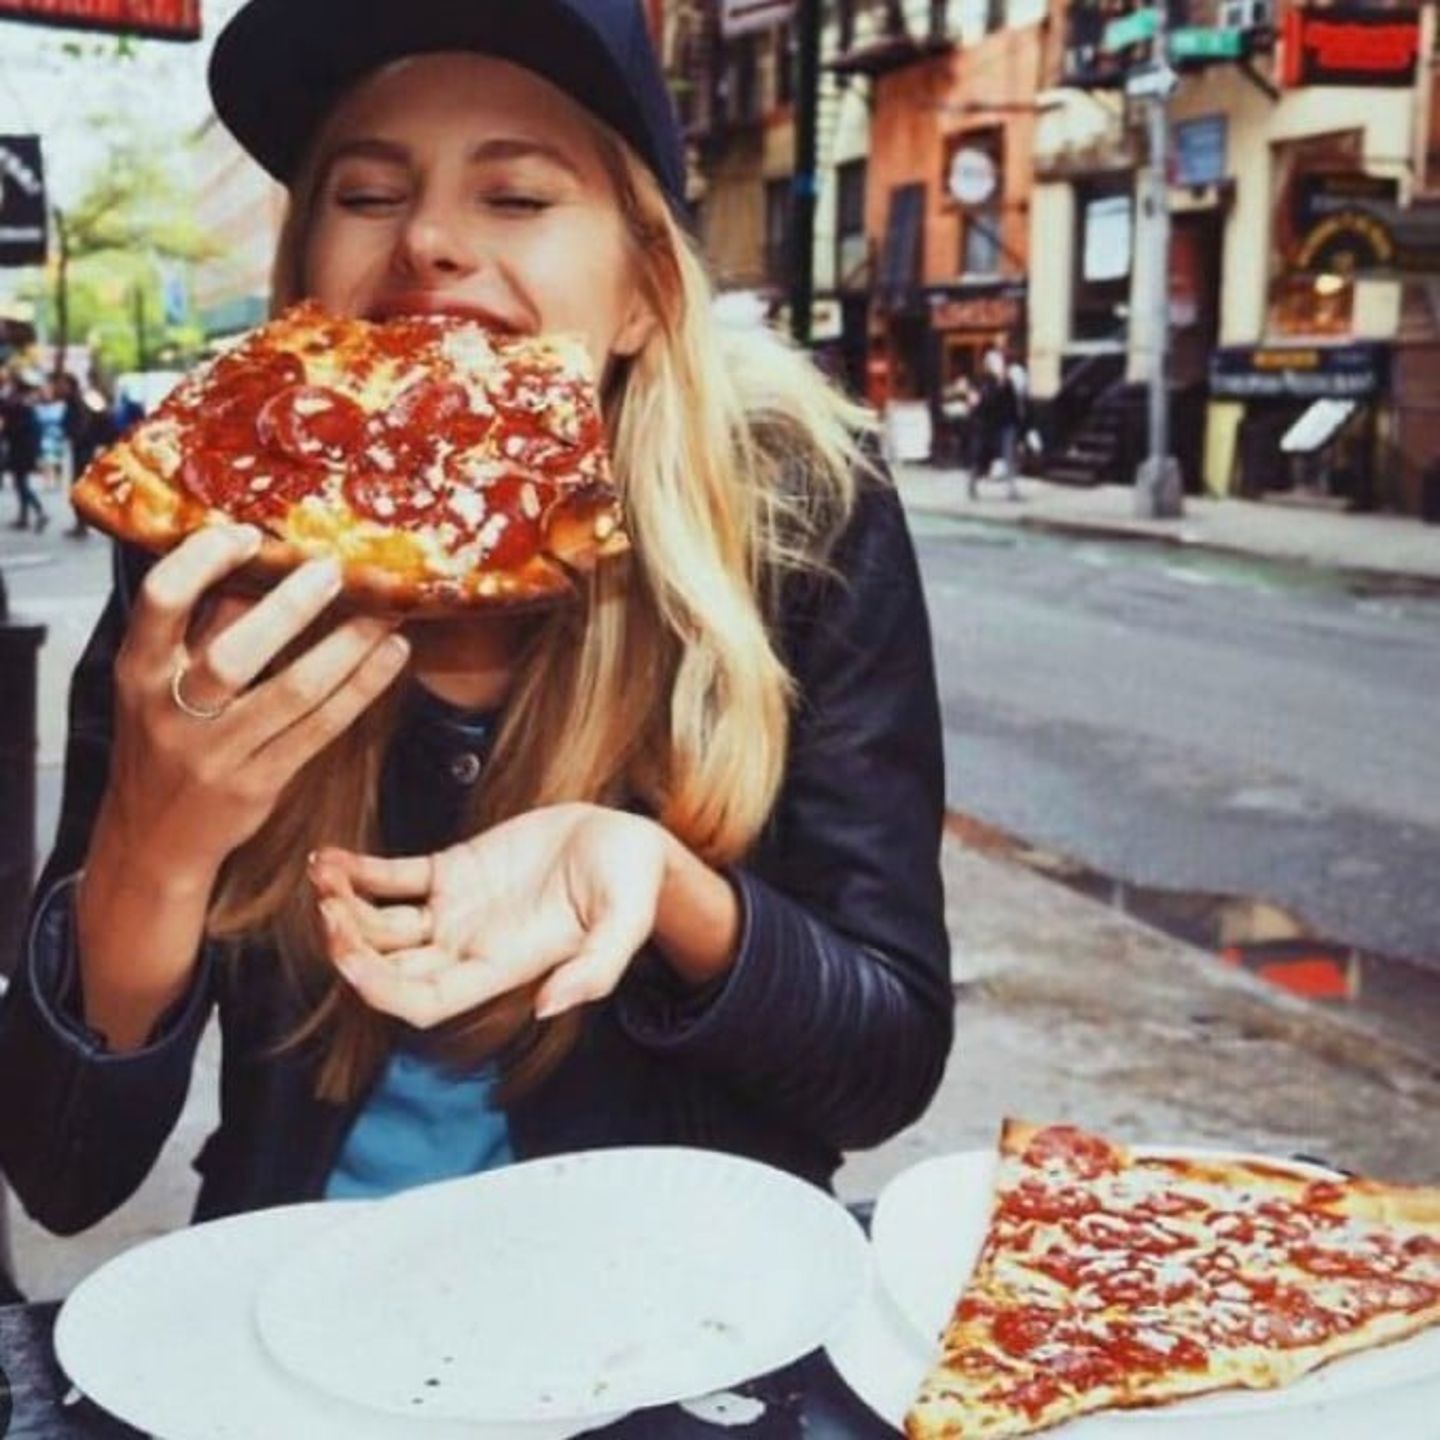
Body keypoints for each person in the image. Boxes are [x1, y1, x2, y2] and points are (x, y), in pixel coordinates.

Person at [0, 0, 951, 1239]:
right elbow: (63, 1175)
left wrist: (670, 891)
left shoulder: (798, 519)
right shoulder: (210, 548)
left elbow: (884, 1068)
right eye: (365, 194)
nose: (430, 241)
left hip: (688, 1296)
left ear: (643, 292)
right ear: (304, 283)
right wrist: (154, 848)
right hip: (296, 1297)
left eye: (516, 196)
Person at [969, 347, 1020, 502]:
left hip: (1006, 424)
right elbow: (983, 402)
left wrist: (1017, 422)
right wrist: (997, 386)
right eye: (995, 363)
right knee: (980, 457)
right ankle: (972, 483)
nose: (999, 366)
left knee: (1009, 456)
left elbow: (1013, 402)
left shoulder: (1007, 381)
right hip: (987, 425)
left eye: (1000, 362)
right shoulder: (983, 382)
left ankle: (1012, 490)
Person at [1, 376, 47, 532]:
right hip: (25, 449)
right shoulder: (26, 405)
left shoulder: (19, 405)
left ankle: (38, 512)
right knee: (21, 483)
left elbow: (12, 428)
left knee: (20, 483)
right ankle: (25, 516)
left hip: (21, 450)